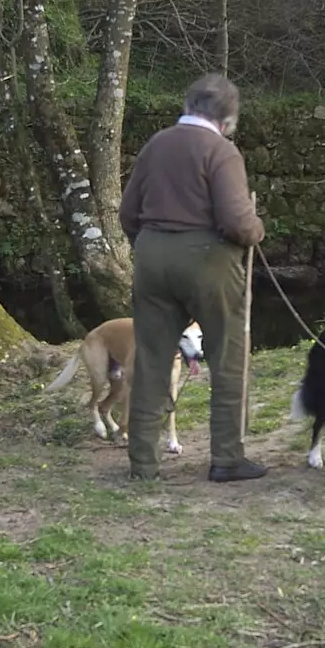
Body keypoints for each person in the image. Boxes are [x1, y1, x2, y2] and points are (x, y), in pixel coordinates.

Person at [118, 74, 268, 483]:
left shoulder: (156, 145)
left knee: (150, 360)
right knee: (227, 357)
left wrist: (150, 244)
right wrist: (257, 229)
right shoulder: (222, 152)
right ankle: (227, 459)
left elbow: (127, 213)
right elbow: (237, 222)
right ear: (229, 118)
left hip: (151, 255)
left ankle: (143, 465)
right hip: (207, 261)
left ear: (187, 106)